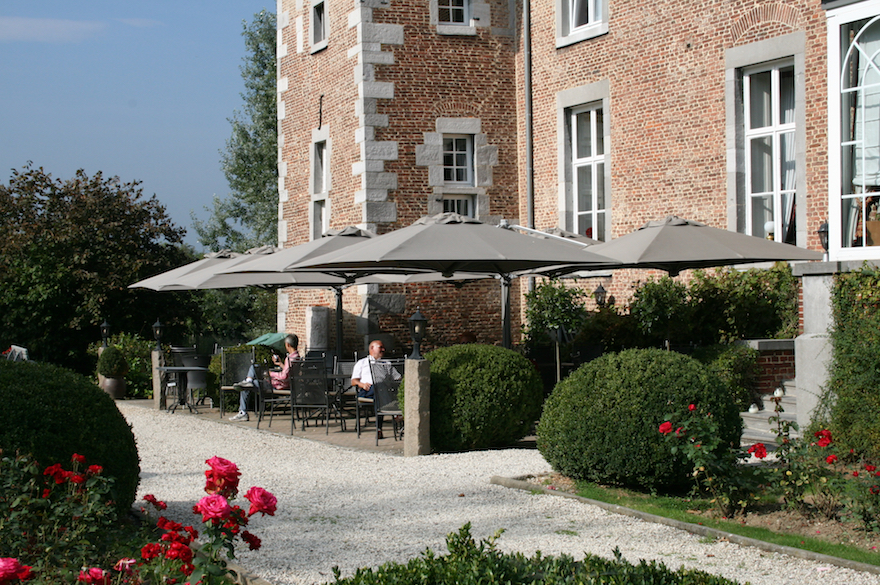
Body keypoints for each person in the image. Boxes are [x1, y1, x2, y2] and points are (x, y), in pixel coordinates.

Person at [230, 334, 300, 422]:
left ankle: (243, 412)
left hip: (277, 385)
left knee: (246, 384)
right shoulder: (296, 357)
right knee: (254, 371)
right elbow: (288, 372)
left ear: (287, 345)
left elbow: (284, 376)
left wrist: (271, 373)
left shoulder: (290, 359)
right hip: (283, 384)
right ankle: (248, 381)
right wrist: (280, 364)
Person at [351, 339, 400, 439]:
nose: (383, 349)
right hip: (367, 390)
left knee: (379, 394)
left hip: (382, 392)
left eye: (383, 348)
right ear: (372, 348)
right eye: (380, 347)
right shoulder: (362, 363)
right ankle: (395, 415)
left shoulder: (386, 363)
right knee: (378, 390)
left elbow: (397, 378)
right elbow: (353, 381)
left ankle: (379, 429)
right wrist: (362, 384)